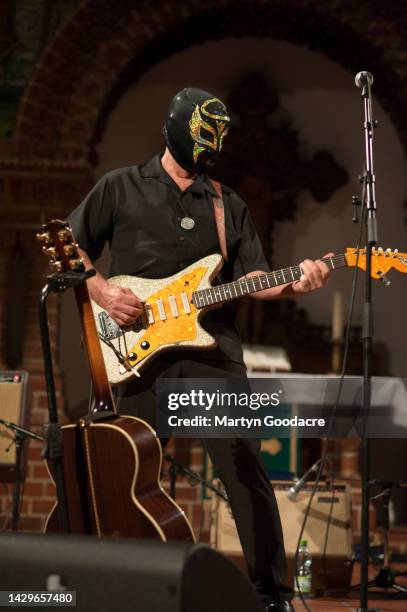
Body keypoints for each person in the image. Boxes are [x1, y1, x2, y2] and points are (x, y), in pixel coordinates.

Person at [68, 88, 331, 611]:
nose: (206, 156)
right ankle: (120, 585)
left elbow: (252, 277)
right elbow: (70, 242)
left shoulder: (225, 203)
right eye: (199, 143)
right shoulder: (120, 186)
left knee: (243, 465)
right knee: (128, 471)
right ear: (175, 132)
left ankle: (270, 595)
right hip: (136, 351)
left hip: (210, 351)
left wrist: (294, 283)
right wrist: (101, 291)